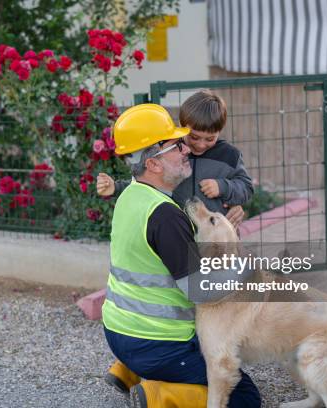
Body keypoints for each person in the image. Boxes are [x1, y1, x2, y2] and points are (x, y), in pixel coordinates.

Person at [102, 103, 261, 408]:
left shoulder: (132, 194)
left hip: (119, 331)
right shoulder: (165, 217)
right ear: (154, 164)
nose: (187, 149)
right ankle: (161, 396)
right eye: (176, 146)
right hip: (157, 342)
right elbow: (201, 292)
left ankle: (137, 371)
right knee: (244, 398)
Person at [97, 90, 253, 228]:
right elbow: (148, 183)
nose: (200, 145)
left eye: (210, 139)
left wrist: (223, 187)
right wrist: (116, 188)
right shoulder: (174, 153)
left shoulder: (229, 155)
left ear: (220, 131)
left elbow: (246, 188)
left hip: (217, 238)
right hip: (179, 233)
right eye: (194, 137)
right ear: (182, 125)